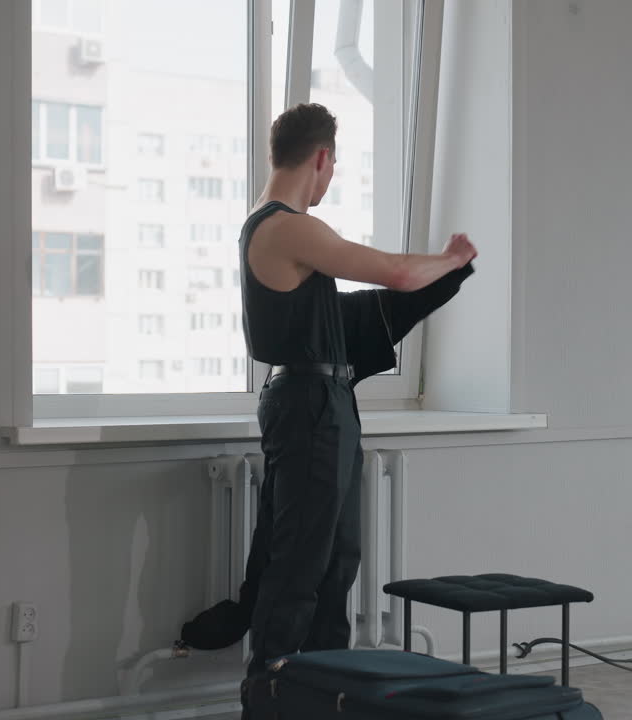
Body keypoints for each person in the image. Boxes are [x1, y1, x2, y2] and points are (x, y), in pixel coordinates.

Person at [179, 103, 477, 716]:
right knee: (300, 566)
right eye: (332, 166)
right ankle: (270, 701)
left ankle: (325, 697)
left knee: (335, 562)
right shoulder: (287, 226)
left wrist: (444, 279)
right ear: (320, 159)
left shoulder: (277, 231)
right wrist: (448, 260)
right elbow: (394, 271)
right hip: (310, 406)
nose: (330, 178)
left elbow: (346, 315)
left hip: (323, 403)